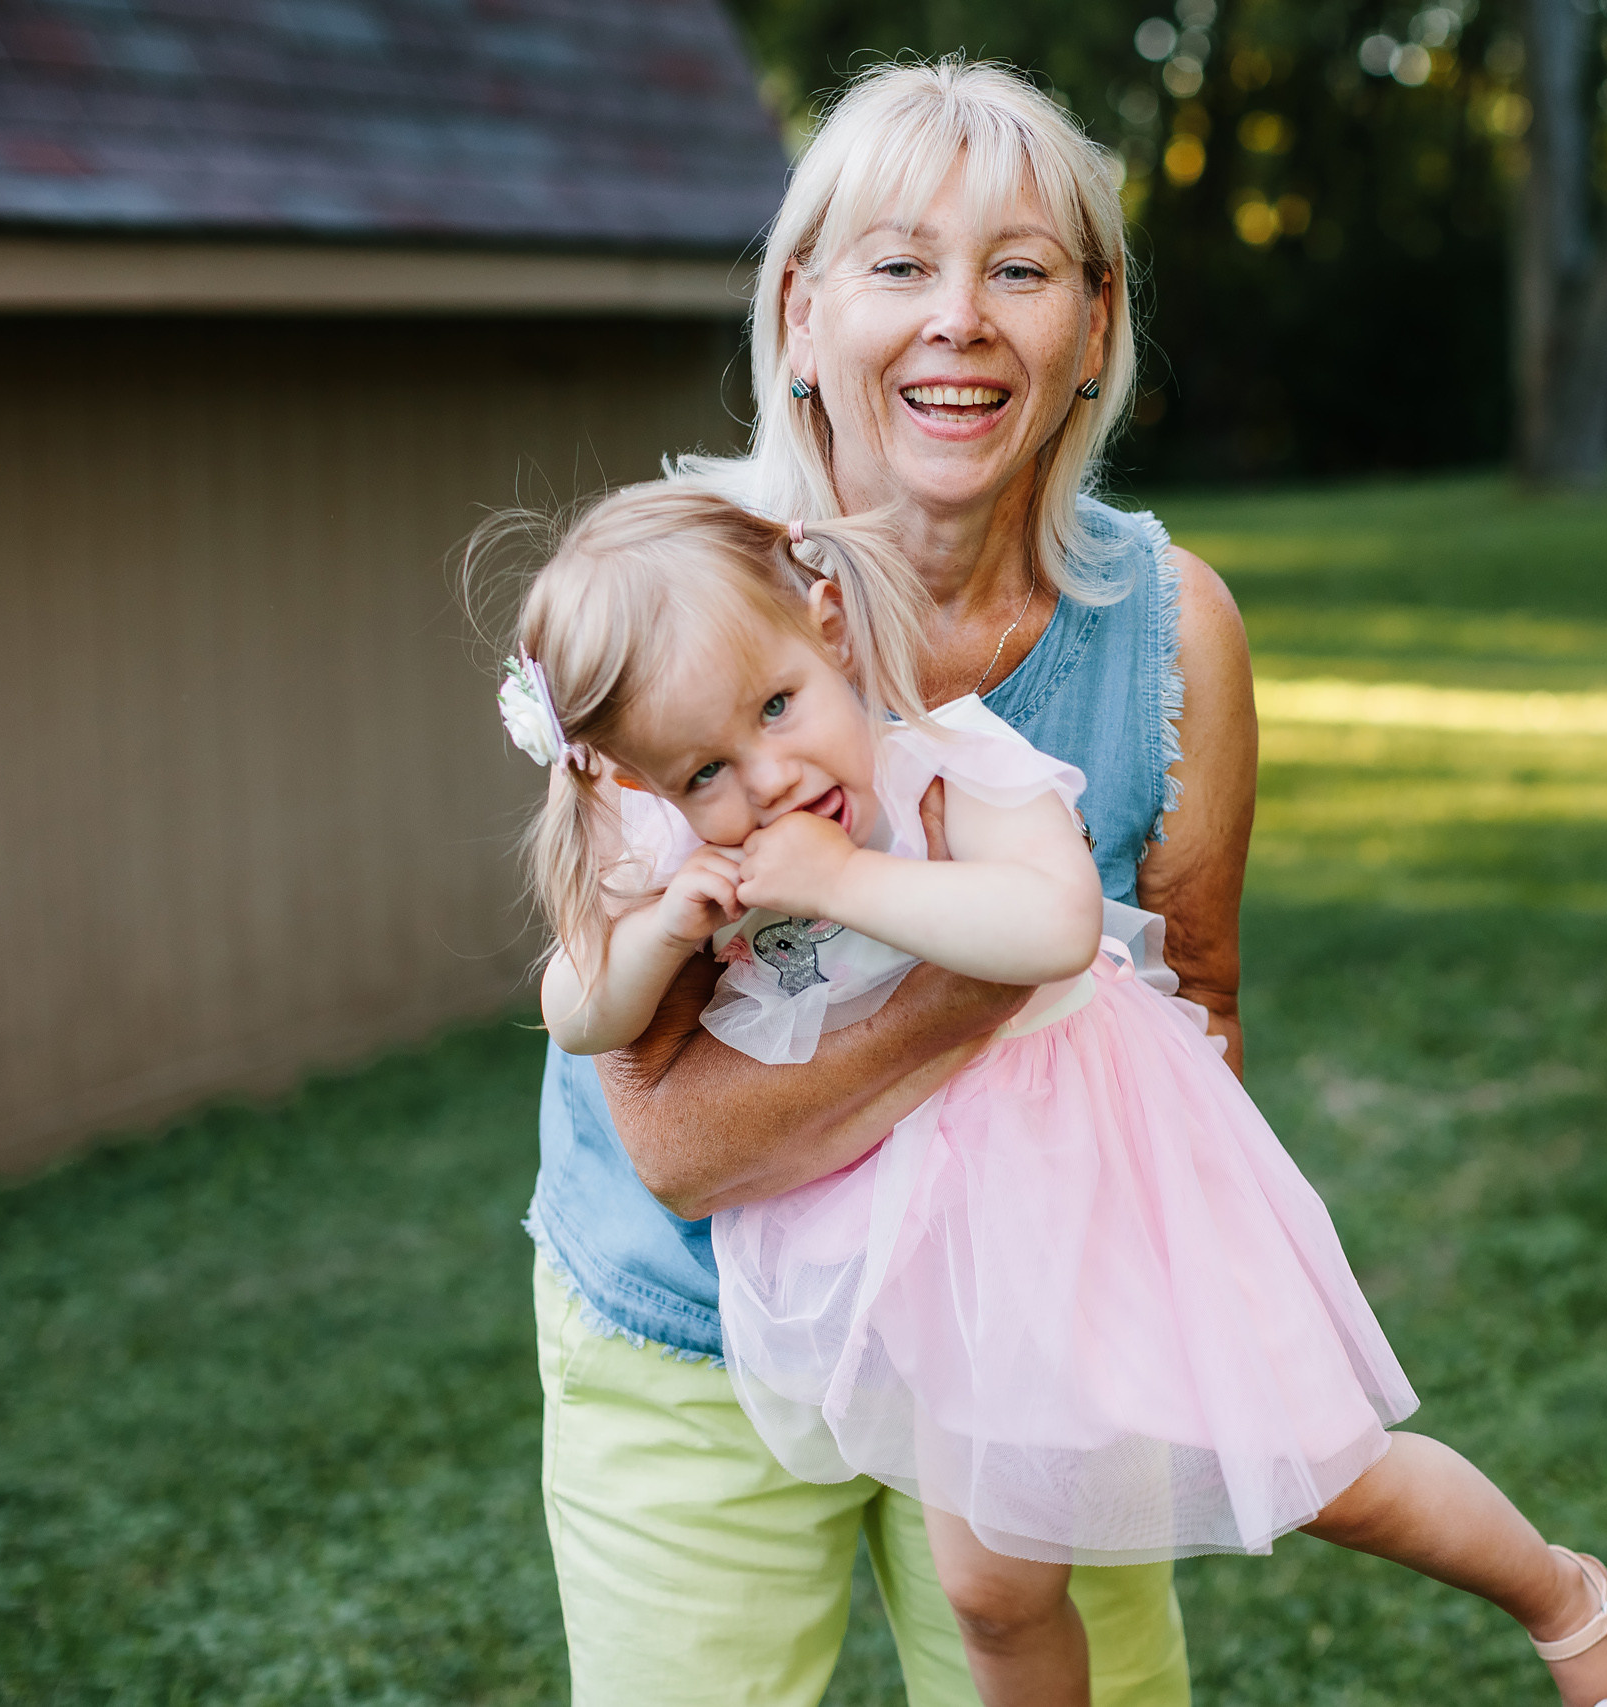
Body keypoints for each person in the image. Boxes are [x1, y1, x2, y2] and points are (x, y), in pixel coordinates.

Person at [495, 484, 1607, 1707]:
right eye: (702, 771)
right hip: (938, 1252)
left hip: (1083, 1169)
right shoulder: (704, 842)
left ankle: (1565, 1604)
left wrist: (842, 880)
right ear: (642, 784)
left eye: (780, 707)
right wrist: (656, 932)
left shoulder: (954, 761)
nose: (770, 778)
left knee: (1312, 1460)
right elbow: (579, 1013)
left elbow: (1054, 926)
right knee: (993, 1597)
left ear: (831, 629)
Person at [512, 59, 1226, 1707]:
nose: (957, 318)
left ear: (1096, 325)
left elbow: (1203, 991)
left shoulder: (1168, 624)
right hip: (684, 1329)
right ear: (799, 309)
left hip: (1031, 1321)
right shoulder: (664, 595)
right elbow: (681, 1141)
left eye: (1022, 268)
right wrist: (1003, 974)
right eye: (899, 264)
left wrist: (1151, 1303)